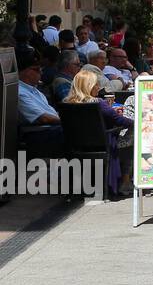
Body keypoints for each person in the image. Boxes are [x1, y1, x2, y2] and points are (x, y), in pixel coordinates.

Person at [65, 68, 134, 196]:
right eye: (96, 84)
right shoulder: (98, 103)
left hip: (76, 144)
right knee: (133, 135)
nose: (98, 87)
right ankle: (125, 181)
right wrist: (135, 123)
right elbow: (119, 121)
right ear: (89, 86)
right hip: (104, 142)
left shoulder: (67, 103)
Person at [17, 52, 62, 128]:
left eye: (41, 69)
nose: (41, 72)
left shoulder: (35, 90)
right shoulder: (20, 93)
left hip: (54, 127)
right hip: (43, 132)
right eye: (37, 69)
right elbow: (44, 118)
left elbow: (49, 112)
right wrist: (68, 120)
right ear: (26, 72)